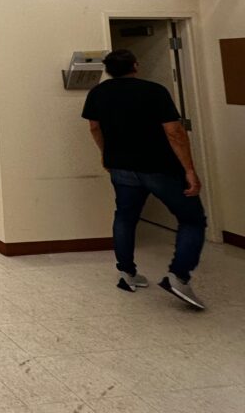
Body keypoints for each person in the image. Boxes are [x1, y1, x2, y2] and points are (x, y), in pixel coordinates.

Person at [82, 48, 207, 309]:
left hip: (121, 168)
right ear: (135, 66)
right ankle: (179, 276)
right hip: (159, 168)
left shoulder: (98, 93)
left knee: (125, 218)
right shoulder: (154, 91)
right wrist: (189, 169)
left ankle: (127, 274)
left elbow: (94, 127)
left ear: (107, 70)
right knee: (192, 219)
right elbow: (174, 132)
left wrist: (106, 154)